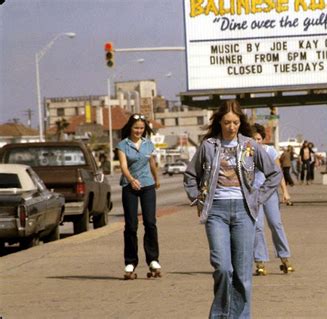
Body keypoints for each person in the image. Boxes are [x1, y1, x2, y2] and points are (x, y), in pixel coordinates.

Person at [183, 100, 281, 318]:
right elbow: (190, 176)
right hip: (216, 211)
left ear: (240, 122)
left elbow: (274, 174)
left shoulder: (250, 146)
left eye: (235, 122)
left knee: (243, 273)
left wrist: (258, 198)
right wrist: (197, 199)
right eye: (227, 122)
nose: (231, 127)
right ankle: (220, 315)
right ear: (219, 122)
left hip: (244, 211)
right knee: (223, 268)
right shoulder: (208, 146)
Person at [116, 113, 161, 279]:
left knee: (150, 223)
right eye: (136, 128)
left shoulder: (148, 144)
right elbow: (123, 166)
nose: (139, 131)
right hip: (130, 186)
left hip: (147, 185)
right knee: (131, 225)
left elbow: (152, 163)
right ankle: (130, 262)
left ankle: (153, 260)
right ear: (130, 128)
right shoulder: (122, 145)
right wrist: (131, 180)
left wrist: (156, 179)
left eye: (142, 128)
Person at [251, 123, 294, 277]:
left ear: (263, 139)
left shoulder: (270, 152)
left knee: (276, 224)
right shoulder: (245, 154)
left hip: (269, 193)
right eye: (253, 139)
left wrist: (285, 192)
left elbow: (278, 173)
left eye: (259, 139)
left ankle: (285, 257)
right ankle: (260, 261)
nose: (257, 142)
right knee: (257, 227)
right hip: (254, 194)